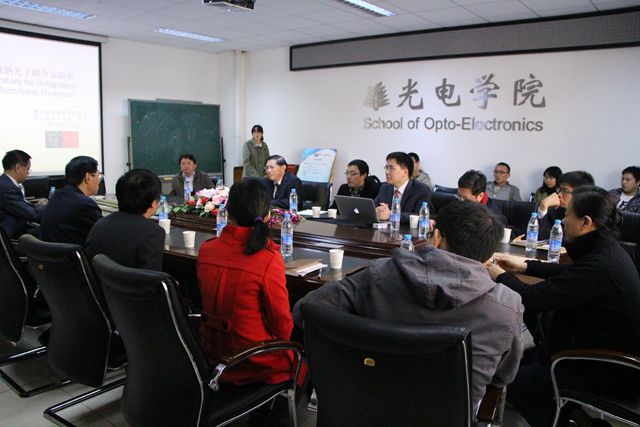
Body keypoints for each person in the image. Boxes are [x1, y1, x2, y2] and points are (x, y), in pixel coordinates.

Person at [294, 200, 524, 414]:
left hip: (361, 411)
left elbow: (304, 311)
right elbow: (504, 376)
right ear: (490, 255)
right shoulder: (507, 306)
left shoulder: (379, 275)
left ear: (436, 237)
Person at [487, 186, 640, 427]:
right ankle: (578, 417)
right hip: (596, 351)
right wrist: (525, 266)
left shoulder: (601, 264)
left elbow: (533, 298)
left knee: (512, 381)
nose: (564, 220)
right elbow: (571, 272)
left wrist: (499, 275)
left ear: (585, 222)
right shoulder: (607, 250)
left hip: (609, 369)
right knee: (526, 361)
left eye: (568, 214)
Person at [198, 178, 298, 425]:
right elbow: (283, 328)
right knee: (302, 357)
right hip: (251, 361)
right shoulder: (268, 258)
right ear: (268, 216)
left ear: (227, 211)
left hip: (209, 352)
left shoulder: (207, 249)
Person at [86, 169, 165, 271]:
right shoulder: (152, 233)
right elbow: (152, 277)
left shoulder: (100, 225)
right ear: (154, 203)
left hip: (99, 281)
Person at [39, 156, 102, 245]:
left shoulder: (56, 195)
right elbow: (104, 233)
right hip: (71, 253)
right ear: (88, 177)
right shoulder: (85, 205)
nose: (99, 181)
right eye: (98, 176)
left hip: (49, 252)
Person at [0, 150, 47, 239]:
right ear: (18, 167)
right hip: (10, 238)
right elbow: (33, 215)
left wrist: (36, 206)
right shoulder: (8, 188)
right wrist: (48, 206)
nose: (28, 173)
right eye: (28, 169)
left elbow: (19, 206)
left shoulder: (5, 183)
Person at [374, 152, 431, 224]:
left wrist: (391, 215)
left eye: (391, 168)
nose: (387, 172)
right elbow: (374, 206)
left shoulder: (421, 190)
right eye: (386, 168)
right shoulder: (385, 188)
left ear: (405, 172)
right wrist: (376, 211)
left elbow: (420, 216)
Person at [537, 170, 594, 240]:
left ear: (580, 195)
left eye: (564, 191)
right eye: (559, 190)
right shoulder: (556, 211)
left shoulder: (586, 219)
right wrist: (543, 207)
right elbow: (541, 238)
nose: (559, 195)